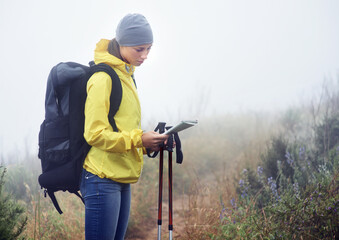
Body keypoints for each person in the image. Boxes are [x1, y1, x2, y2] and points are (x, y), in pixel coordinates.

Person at [80, 13, 169, 240]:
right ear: (122, 43)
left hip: (121, 177)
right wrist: (138, 140)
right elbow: (95, 134)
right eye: (139, 49)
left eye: (149, 49)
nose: (145, 55)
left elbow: (121, 129)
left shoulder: (127, 75)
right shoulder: (103, 78)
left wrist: (149, 143)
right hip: (101, 178)